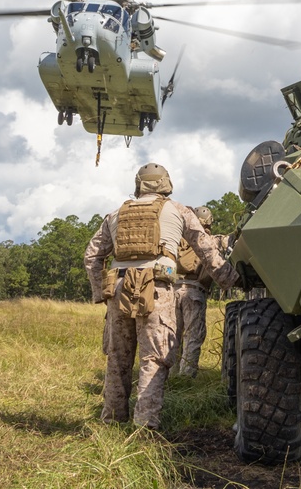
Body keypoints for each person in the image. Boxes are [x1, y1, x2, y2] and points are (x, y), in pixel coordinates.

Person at [84, 163, 238, 429]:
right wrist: (231, 280)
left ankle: (111, 421)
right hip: (156, 289)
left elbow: (92, 256)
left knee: (118, 357)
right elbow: (206, 249)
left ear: (138, 184)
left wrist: (101, 292)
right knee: (154, 358)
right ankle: (145, 426)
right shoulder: (179, 211)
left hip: (118, 288)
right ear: (166, 184)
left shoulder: (115, 213)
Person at [171, 205, 229, 378]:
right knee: (193, 336)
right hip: (194, 292)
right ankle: (186, 377)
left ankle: (169, 375)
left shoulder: (178, 239)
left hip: (173, 290)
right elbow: (231, 240)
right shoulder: (210, 239)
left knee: (172, 336)